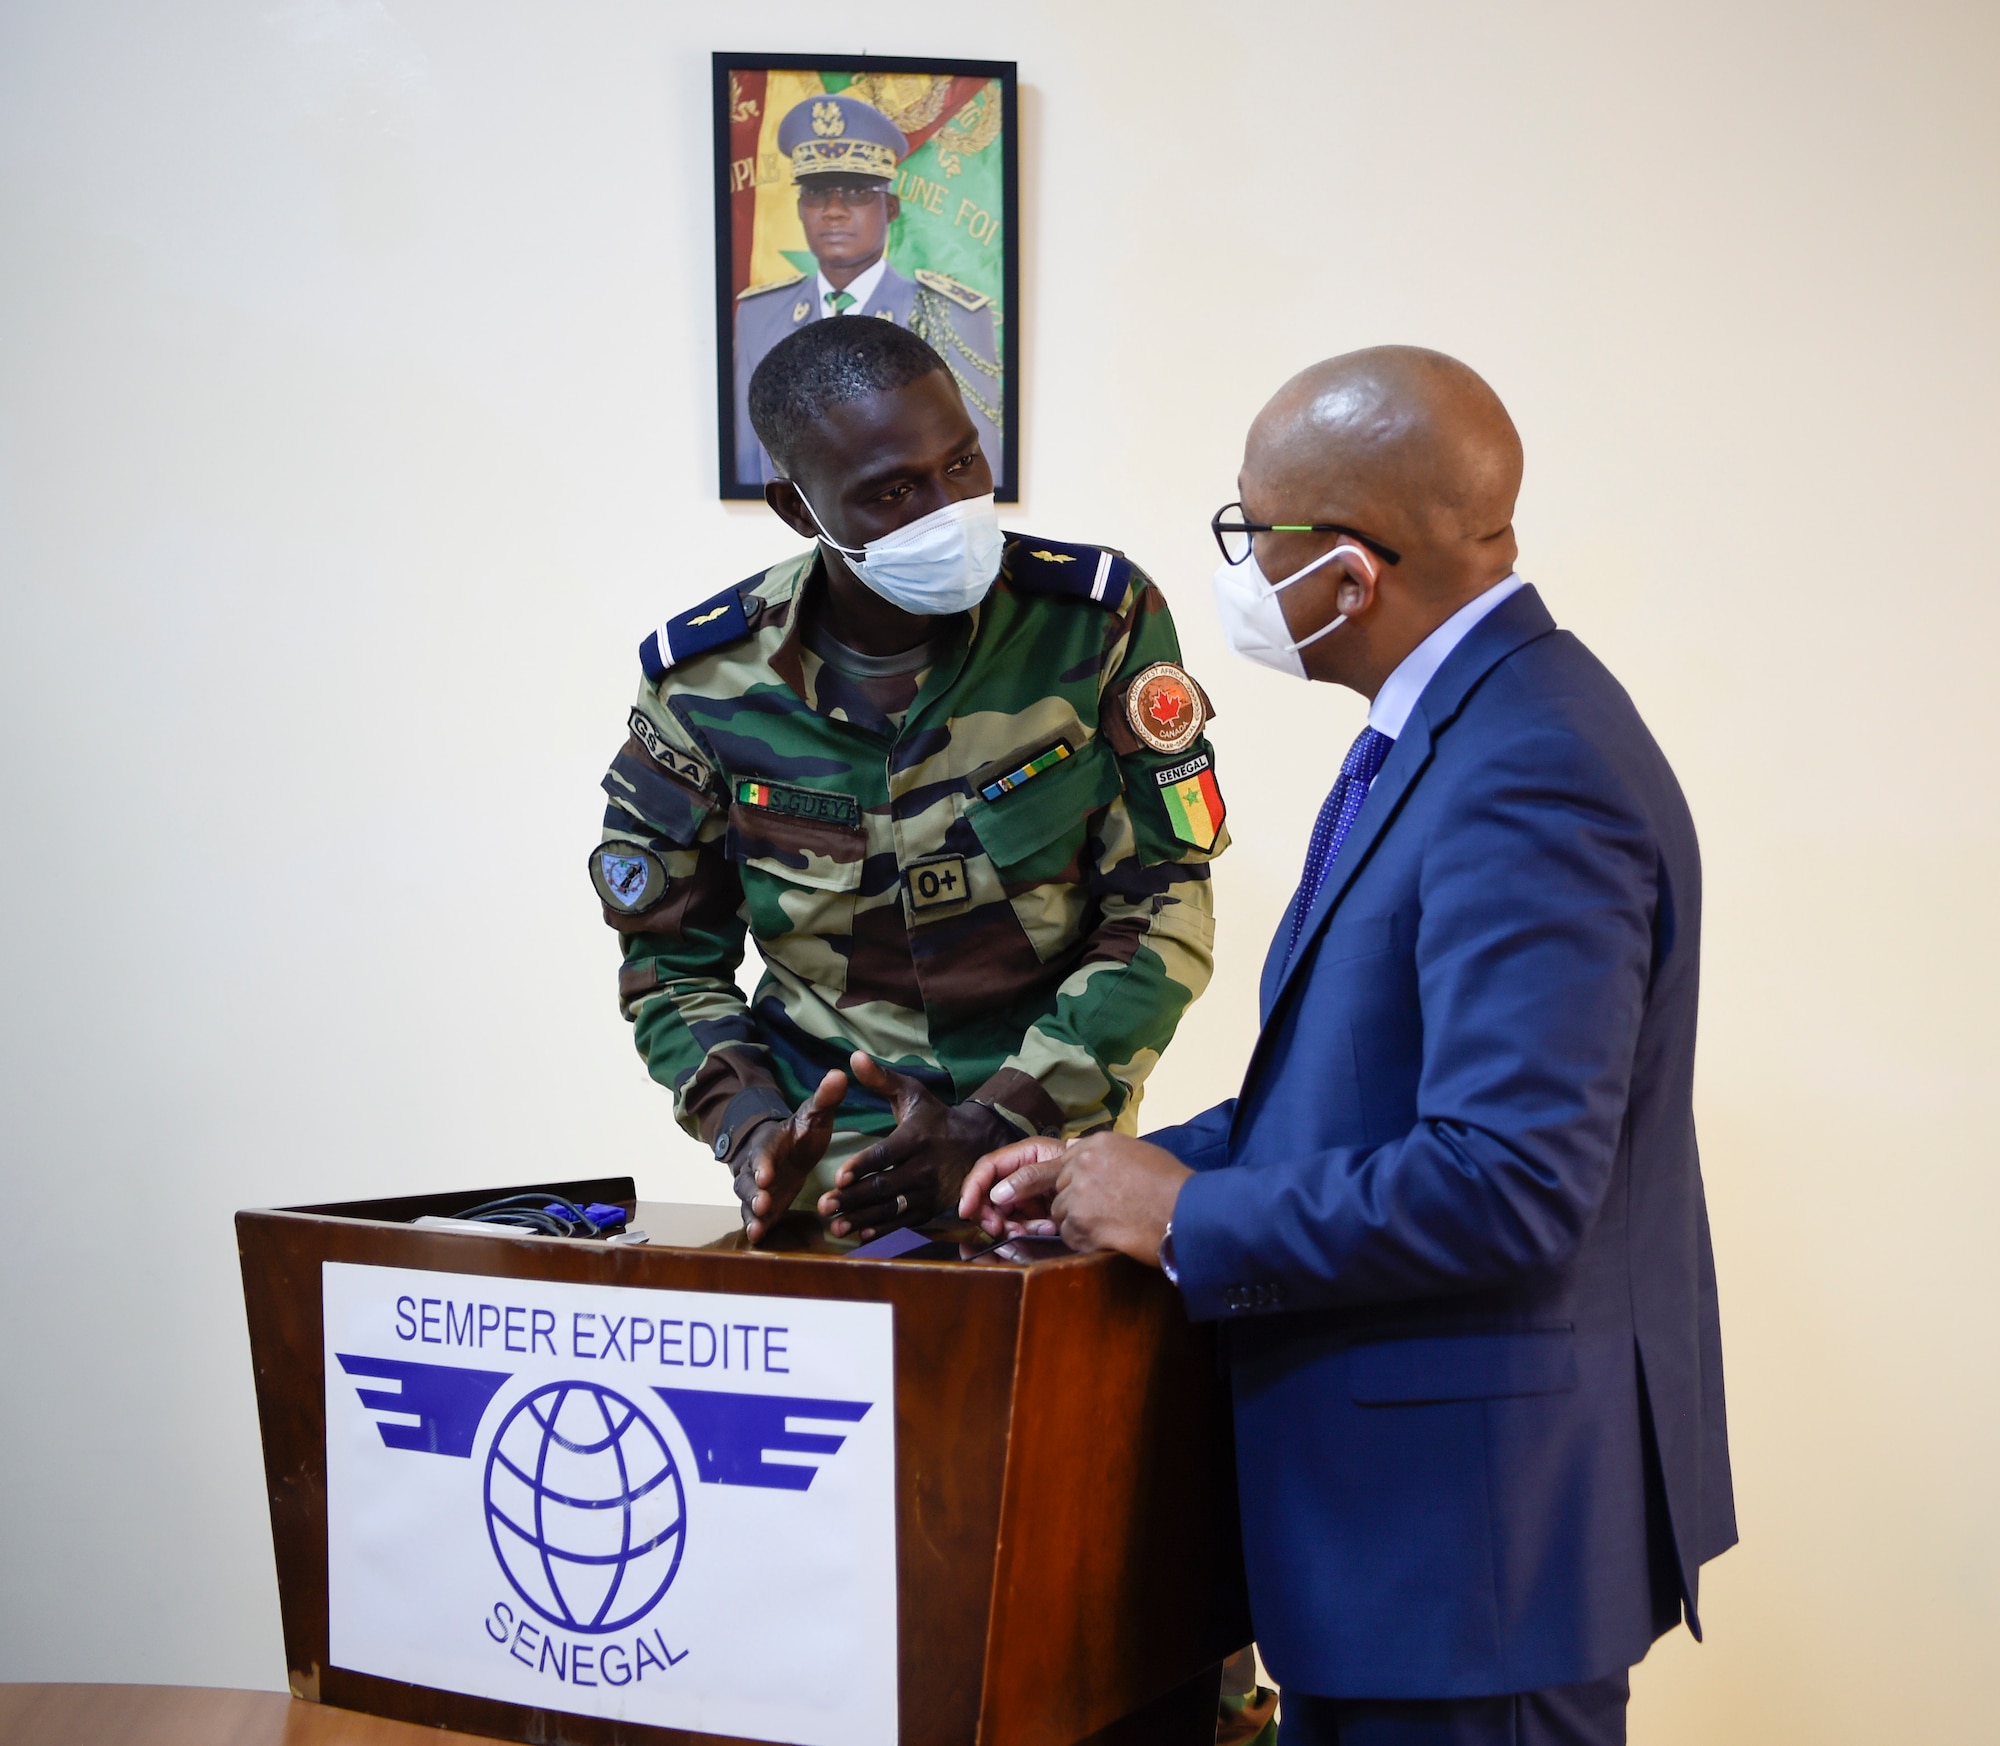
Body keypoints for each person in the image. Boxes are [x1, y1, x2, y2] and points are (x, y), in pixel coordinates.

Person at [963, 347, 1736, 1745]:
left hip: (1467, 1558)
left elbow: (1509, 1179)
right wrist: (1112, 1166)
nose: (1242, 568)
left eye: (1251, 534)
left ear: (1350, 572)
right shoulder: (1457, 726)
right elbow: (1357, 1090)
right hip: (1409, 1544)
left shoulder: (1531, 768)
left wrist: (1194, 1212)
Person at [592, 315, 1225, 1246]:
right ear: (798, 508)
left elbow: (1165, 899)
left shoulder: (1092, 624)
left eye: (963, 463)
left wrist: (997, 1120)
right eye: (893, 490)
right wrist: (757, 1133)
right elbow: (668, 963)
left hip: (1051, 1165)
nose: (949, 508)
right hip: (838, 1183)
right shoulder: (707, 682)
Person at [732, 92, 1003, 489]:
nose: (834, 210)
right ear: (799, 210)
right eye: (817, 193)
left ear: (890, 209)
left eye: (857, 193)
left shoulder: (949, 314)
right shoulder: (760, 313)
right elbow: (747, 463)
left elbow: (978, 469)